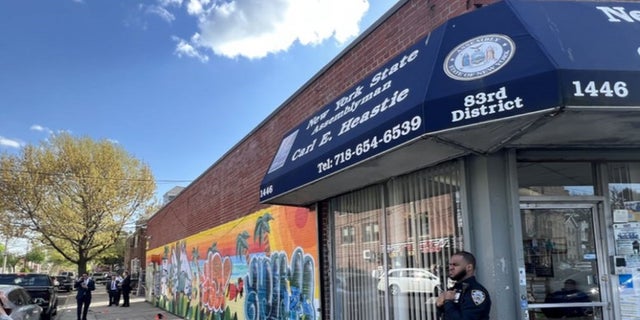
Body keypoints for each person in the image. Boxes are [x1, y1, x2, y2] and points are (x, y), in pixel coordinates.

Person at [436, 251, 491, 319]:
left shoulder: (476, 292)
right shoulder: (453, 289)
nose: (450, 268)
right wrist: (440, 306)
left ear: (469, 267)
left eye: (455, 265)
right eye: (450, 265)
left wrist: (448, 302)